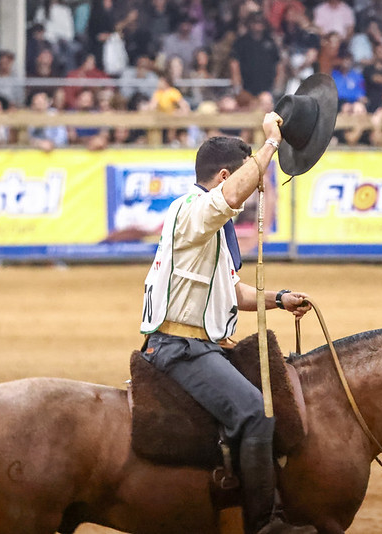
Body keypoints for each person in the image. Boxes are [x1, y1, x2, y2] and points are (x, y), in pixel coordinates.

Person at [139, 113, 311, 534]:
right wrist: (270, 144)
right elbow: (230, 196)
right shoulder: (195, 211)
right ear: (223, 176)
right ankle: (266, 523)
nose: (254, 189)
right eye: (248, 180)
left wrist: (279, 299)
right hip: (182, 347)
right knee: (255, 411)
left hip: (196, 344)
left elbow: (233, 292)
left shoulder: (203, 224)